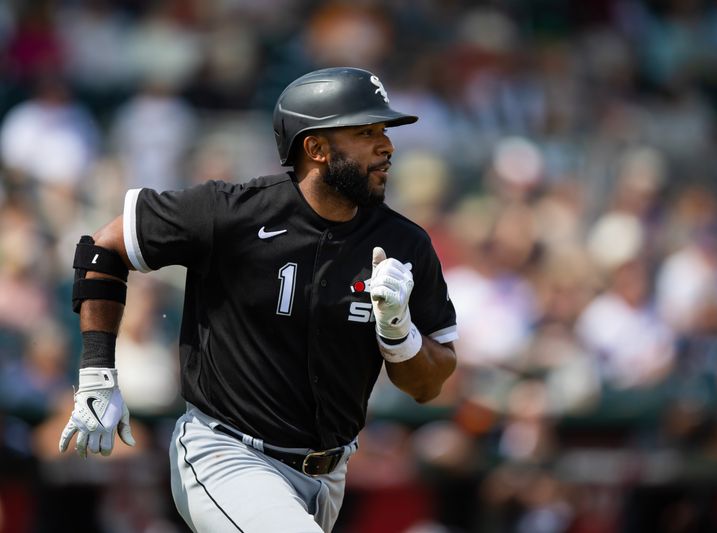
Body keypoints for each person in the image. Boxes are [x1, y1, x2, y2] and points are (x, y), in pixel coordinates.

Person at [58, 67, 459, 533]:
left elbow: (429, 385)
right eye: (365, 132)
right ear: (315, 148)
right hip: (226, 451)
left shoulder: (404, 244)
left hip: (329, 474)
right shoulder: (232, 211)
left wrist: (398, 333)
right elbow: (105, 246)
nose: (386, 146)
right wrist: (96, 373)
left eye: (384, 132)